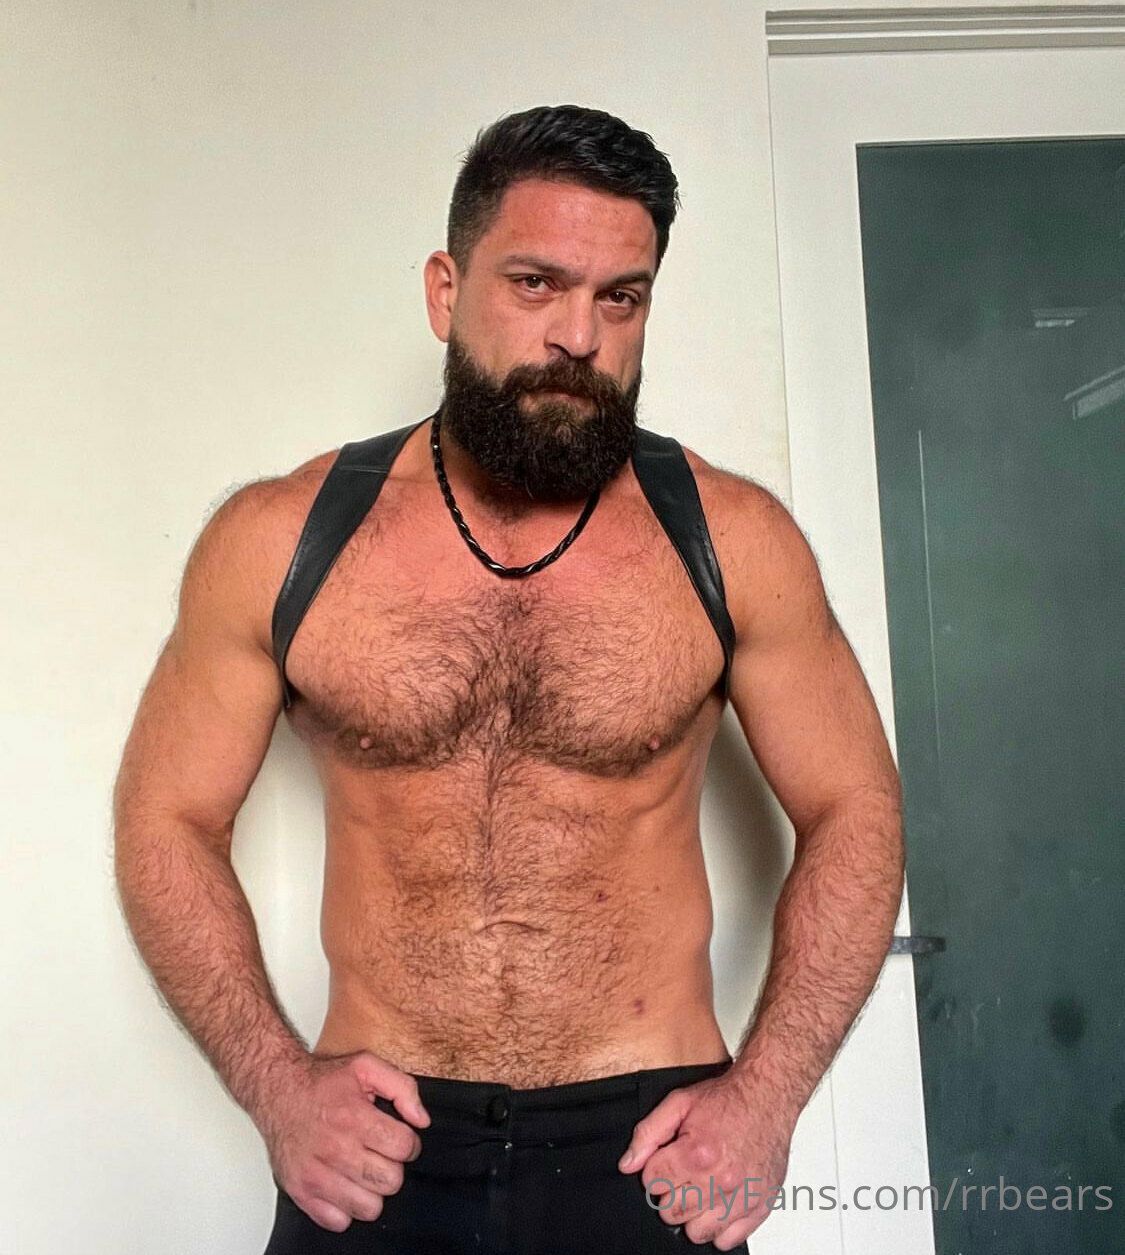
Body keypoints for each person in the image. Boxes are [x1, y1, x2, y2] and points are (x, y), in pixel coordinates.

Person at [112, 104, 904, 1254]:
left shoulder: (731, 540)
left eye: (621, 298)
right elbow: (165, 818)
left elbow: (856, 808)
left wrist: (768, 1095)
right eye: (537, 284)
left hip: (651, 1151)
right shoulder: (284, 539)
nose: (580, 334)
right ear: (446, 291)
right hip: (378, 1151)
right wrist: (277, 1084)